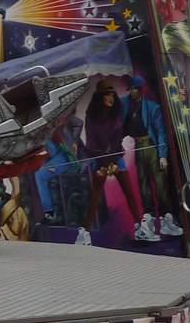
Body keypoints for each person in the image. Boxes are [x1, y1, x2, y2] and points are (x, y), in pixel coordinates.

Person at [78, 80, 148, 242]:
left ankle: (139, 227)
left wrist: (114, 161)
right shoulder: (92, 116)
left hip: (116, 157)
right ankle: (84, 233)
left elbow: (118, 138)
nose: (111, 97)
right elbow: (92, 142)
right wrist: (104, 163)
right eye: (107, 94)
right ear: (100, 97)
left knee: (129, 192)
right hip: (100, 158)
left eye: (112, 94)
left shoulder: (117, 112)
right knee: (95, 197)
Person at [123, 75, 182, 238]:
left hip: (152, 145)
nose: (132, 92)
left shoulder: (152, 107)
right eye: (131, 89)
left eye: (134, 89)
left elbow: (161, 133)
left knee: (160, 183)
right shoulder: (127, 106)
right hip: (138, 146)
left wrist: (162, 155)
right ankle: (149, 220)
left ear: (140, 90)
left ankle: (166, 219)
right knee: (143, 184)